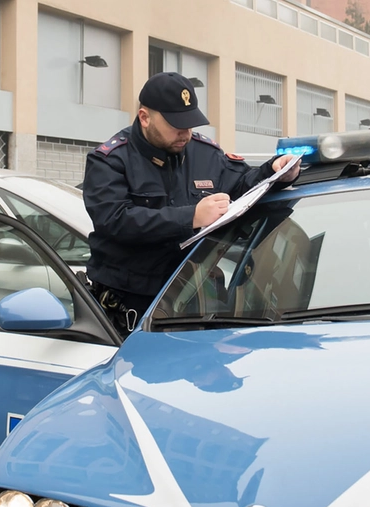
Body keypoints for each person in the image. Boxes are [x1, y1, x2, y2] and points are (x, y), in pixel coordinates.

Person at [82, 72, 301, 333]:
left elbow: (241, 184)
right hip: (130, 310)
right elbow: (114, 220)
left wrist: (273, 172)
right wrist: (191, 218)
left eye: (190, 124)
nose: (185, 134)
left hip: (192, 302)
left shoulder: (205, 154)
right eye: (176, 125)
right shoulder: (110, 161)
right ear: (145, 117)